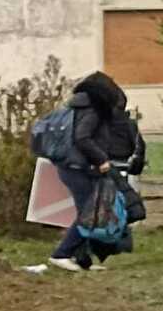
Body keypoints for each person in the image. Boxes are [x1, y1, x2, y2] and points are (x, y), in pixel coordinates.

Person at [48, 71, 138, 272]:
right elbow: (82, 138)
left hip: (71, 166)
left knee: (89, 213)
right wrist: (101, 159)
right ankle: (61, 254)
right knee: (89, 214)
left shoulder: (76, 106)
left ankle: (81, 260)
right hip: (78, 168)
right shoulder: (93, 110)